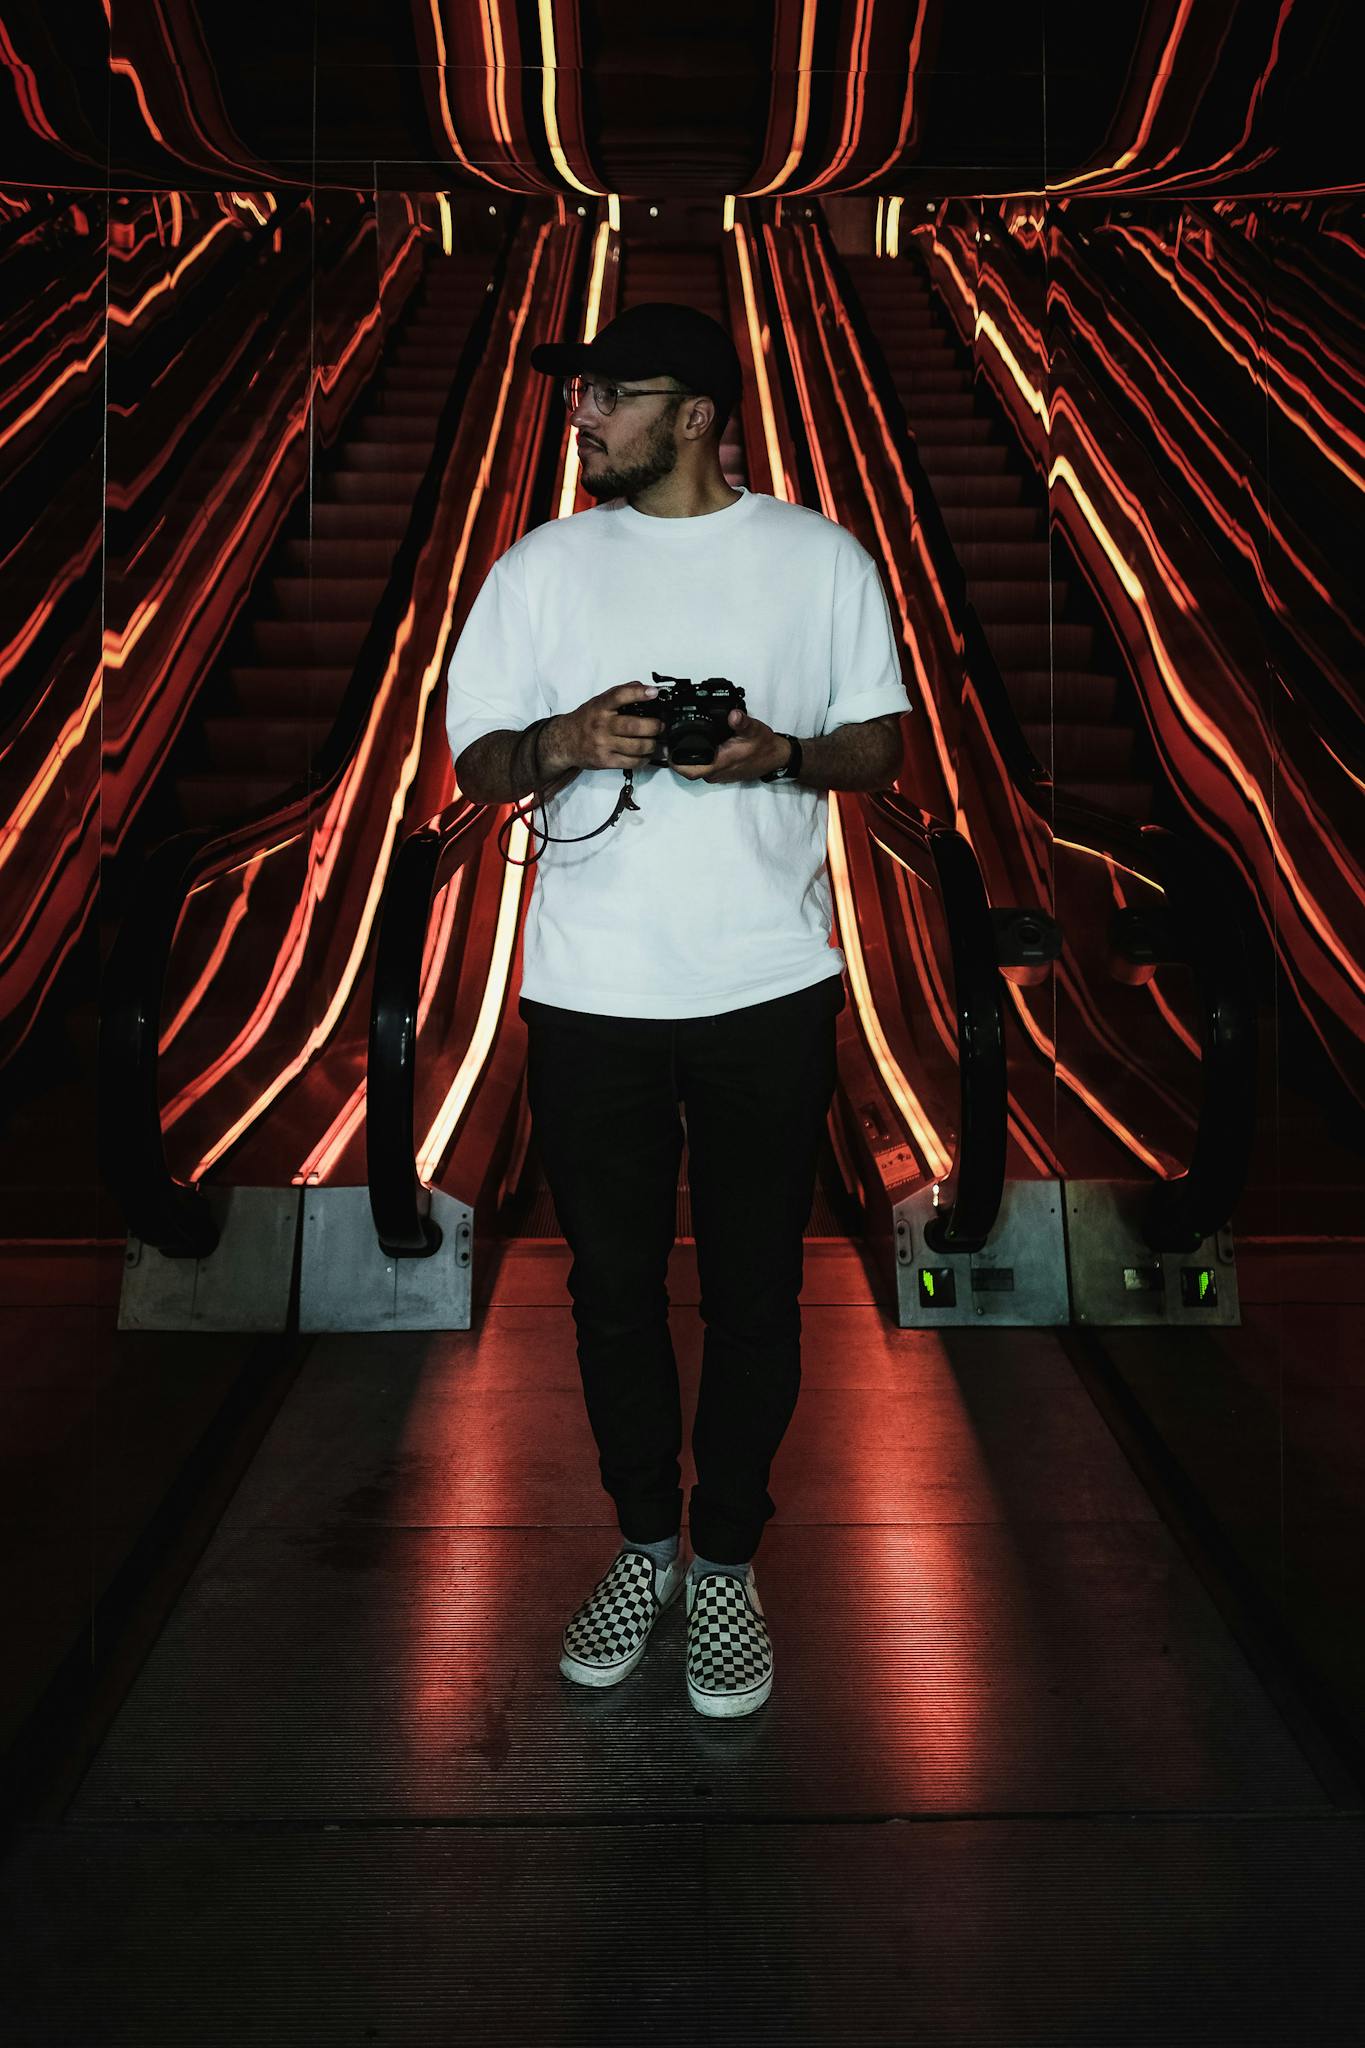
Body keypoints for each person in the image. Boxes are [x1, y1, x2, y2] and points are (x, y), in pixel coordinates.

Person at [444, 300, 910, 1718]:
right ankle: (643, 1539)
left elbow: (878, 748)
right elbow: (474, 764)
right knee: (608, 1290)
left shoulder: (818, 558)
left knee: (761, 1289)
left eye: (611, 395)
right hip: (587, 993)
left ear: (698, 414)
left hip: (768, 982)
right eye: (581, 396)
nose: (580, 415)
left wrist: (779, 754)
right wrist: (567, 740)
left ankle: (724, 1563)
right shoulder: (538, 567)